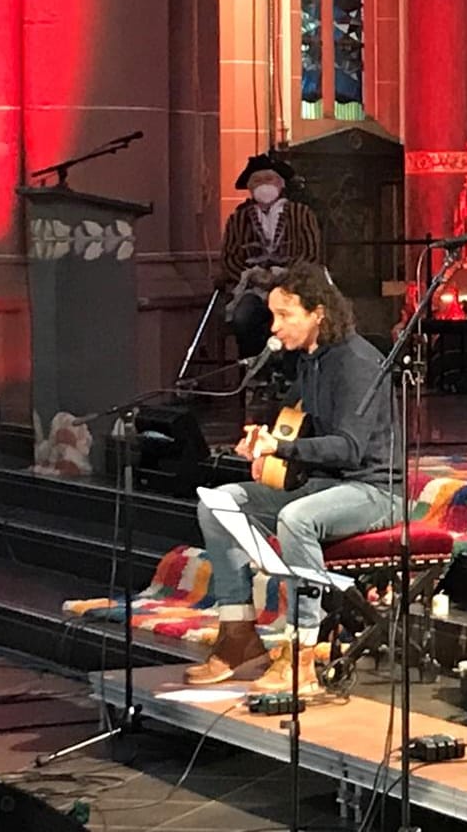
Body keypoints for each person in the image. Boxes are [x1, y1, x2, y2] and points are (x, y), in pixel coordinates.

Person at [184, 263, 400, 694]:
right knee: (217, 503)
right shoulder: (310, 361)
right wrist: (259, 437)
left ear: (318, 313)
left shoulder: (356, 362)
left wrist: (280, 449)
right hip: (325, 485)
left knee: (297, 518)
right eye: (273, 316)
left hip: (372, 489)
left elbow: (349, 448)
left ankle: (302, 651)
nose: (275, 327)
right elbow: (292, 420)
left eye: (285, 315)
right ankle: (238, 633)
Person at [220, 152, 324, 360]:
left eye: (268, 179)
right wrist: (252, 276)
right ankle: (254, 369)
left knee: (297, 319)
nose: (263, 185)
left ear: (280, 183)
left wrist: (284, 276)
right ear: (249, 187)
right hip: (253, 288)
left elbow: (311, 252)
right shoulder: (238, 219)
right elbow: (230, 257)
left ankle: (291, 372)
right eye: (257, 181)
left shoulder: (302, 214)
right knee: (243, 317)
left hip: (293, 286)